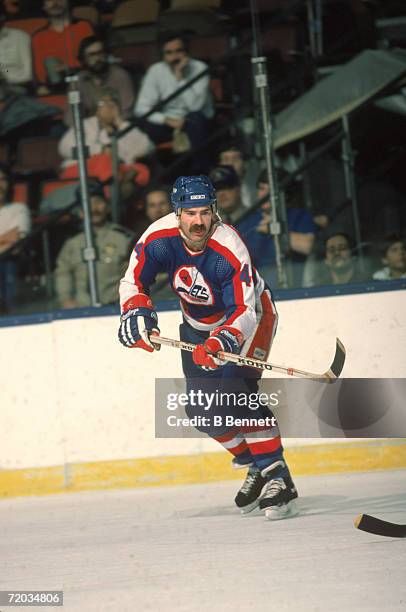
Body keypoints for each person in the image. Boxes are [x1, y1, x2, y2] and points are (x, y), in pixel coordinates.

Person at [118, 175, 298, 521]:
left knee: (235, 394)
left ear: (214, 211)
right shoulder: (157, 238)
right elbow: (133, 281)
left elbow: (244, 310)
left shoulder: (228, 246)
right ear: (177, 213)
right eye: (189, 213)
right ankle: (255, 464)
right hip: (197, 328)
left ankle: (279, 478)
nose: (198, 221)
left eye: (204, 212)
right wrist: (137, 310)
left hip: (251, 319)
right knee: (202, 412)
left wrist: (222, 340)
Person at [59, 88, 154, 197]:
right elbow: (64, 147)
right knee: (106, 161)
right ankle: (113, 199)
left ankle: (123, 194)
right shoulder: (85, 125)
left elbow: (148, 147)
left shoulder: (124, 127)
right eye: (103, 103)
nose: (109, 107)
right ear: (96, 108)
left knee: (142, 170)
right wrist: (101, 150)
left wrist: (121, 123)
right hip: (81, 168)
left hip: (117, 168)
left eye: (113, 104)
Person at [134, 31, 213, 159]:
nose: (174, 57)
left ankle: (198, 174)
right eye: (169, 53)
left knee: (195, 119)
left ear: (186, 52)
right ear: (163, 55)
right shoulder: (156, 70)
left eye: (178, 51)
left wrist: (180, 78)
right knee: (141, 125)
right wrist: (166, 120)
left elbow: (195, 107)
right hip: (170, 121)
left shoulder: (200, 68)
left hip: (197, 120)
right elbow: (140, 108)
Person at [55, 182, 133, 308]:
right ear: (81, 212)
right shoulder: (72, 244)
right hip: (81, 309)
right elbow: (63, 273)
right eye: (88, 204)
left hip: (117, 306)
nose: (94, 208)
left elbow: (134, 273)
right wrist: (65, 299)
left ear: (107, 207)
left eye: (98, 202)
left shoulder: (124, 238)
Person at [236, 169, 317, 286]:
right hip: (256, 290)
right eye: (261, 188)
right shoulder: (249, 220)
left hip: (293, 287)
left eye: (270, 190)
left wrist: (272, 228)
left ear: (284, 193)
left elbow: (309, 246)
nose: (264, 195)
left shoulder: (298, 216)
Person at [64, 35, 135, 126]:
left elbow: (127, 112)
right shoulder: (78, 81)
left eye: (100, 53)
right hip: (89, 130)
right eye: (92, 55)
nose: (97, 58)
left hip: (117, 127)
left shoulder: (120, 76)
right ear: (84, 59)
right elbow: (70, 117)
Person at [32, 0, 94, 94]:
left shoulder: (84, 26)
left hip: (86, 83)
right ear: (43, 6)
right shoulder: (38, 37)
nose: (55, 2)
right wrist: (42, 86)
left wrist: (69, 68)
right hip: (55, 89)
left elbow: (94, 59)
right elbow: (40, 74)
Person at [0, 163, 31, 313]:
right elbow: (8, 240)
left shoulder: (18, 209)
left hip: (8, 264)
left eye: (3, 180)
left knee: (7, 263)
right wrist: (4, 238)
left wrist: (9, 240)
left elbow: (15, 243)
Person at [304, 232, 368, 287]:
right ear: (326, 260)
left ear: (353, 256)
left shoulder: (366, 283)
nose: (337, 253)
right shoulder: (319, 287)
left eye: (342, 248)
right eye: (331, 250)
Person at [0, 1, 32, 86]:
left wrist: (7, 80)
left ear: (2, 17)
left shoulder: (19, 37)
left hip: (17, 86)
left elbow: (29, 73)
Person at [217, 141, 257, 209]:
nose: (230, 164)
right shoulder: (213, 195)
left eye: (235, 159)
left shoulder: (255, 192)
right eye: (226, 159)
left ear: (244, 164)